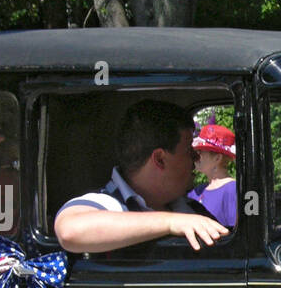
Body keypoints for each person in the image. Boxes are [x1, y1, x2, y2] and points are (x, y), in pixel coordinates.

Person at [54, 100, 227, 253]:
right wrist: (170, 223)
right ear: (159, 159)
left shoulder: (190, 208)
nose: (196, 158)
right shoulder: (108, 203)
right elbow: (70, 231)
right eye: (189, 150)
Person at [187, 123, 238, 227]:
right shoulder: (197, 191)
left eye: (199, 152)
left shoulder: (232, 190)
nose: (195, 156)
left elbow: (234, 231)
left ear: (217, 158)